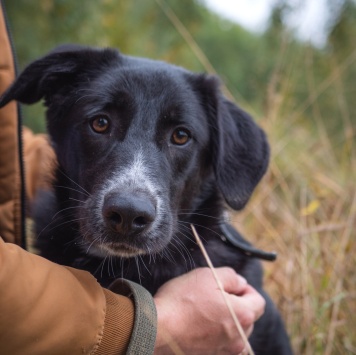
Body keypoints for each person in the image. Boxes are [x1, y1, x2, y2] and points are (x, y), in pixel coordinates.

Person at [0, 2, 265, 354]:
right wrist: (150, 326)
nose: (131, 200)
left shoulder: (224, 297)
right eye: (101, 124)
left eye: (180, 136)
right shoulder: (50, 243)